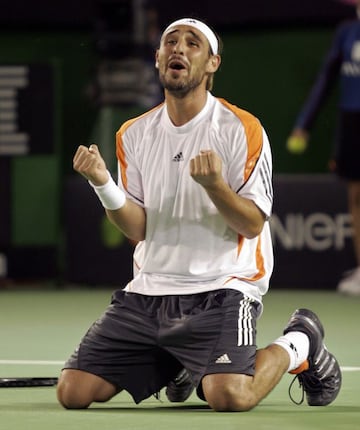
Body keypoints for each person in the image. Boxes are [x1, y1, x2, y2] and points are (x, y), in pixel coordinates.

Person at [57, 17, 341, 412]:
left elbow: (252, 223)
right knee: (73, 393)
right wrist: (103, 183)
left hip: (223, 289)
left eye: (193, 44)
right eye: (170, 42)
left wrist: (215, 186)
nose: (179, 48)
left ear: (212, 64)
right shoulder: (132, 134)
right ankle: (177, 361)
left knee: (227, 395)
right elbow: (138, 229)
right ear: (158, 59)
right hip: (149, 292)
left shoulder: (241, 128)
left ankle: (300, 341)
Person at [287, 0, 360, 295]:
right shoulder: (346, 31)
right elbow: (325, 81)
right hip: (352, 122)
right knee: (356, 197)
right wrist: (304, 124)